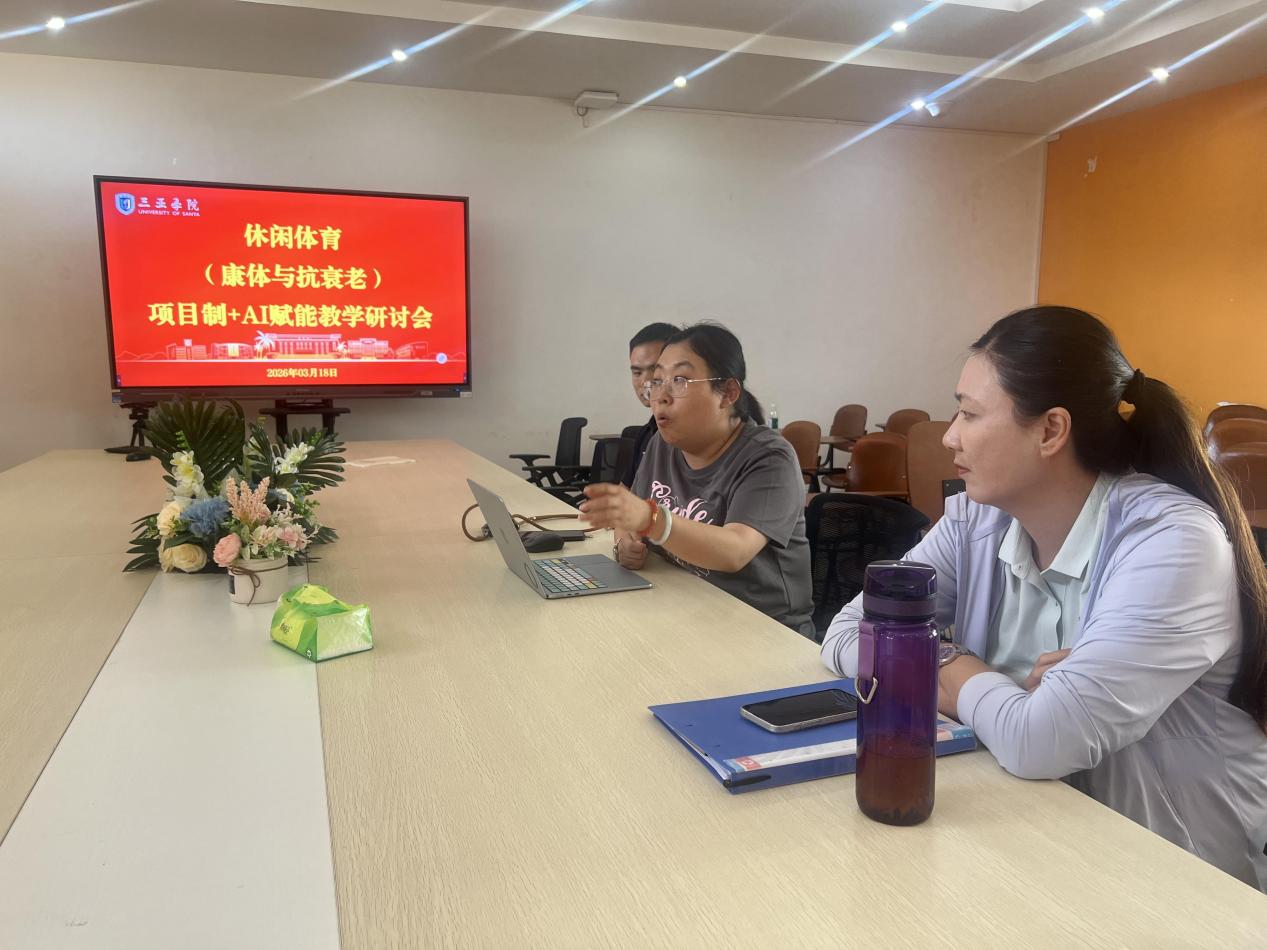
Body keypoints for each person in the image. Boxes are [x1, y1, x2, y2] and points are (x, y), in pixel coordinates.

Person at [821, 306, 1267, 890]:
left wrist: (936, 666)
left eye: (970, 413)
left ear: (1052, 430)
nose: (950, 436)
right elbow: (846, 633)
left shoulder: (1173, 540)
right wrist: (964, 666)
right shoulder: (975, 521)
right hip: (1034, 837)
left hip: (1172, 874)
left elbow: (1041, 740)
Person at [581, 323, 814, 638]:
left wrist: (650, 519)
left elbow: (734, 550)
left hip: (762, 631)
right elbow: (632, 518)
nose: (661, 397)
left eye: (679, 380)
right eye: (657, 382)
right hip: (682, 609)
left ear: (728, 393)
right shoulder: (661, 445)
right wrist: (624, 543)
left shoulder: (769, 457)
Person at [624, 323, 679, 488]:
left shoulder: (690, 438)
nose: (646, 382)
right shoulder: (647, 433)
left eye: (655, 369)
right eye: (637, 372)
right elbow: (626, 493)